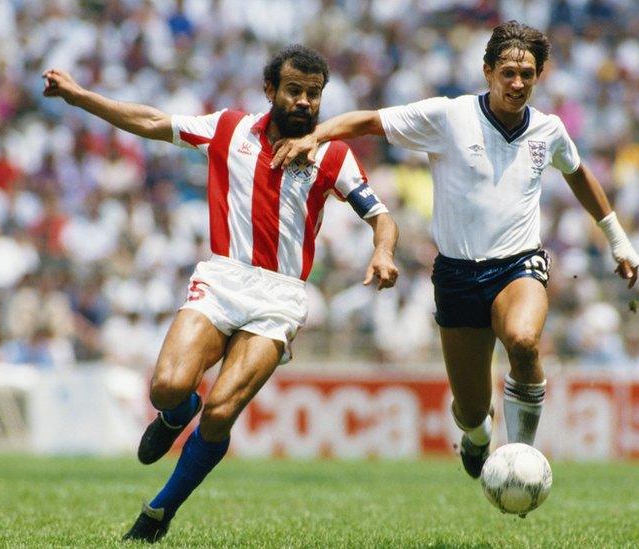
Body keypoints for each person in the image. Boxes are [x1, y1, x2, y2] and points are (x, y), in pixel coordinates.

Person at [42, 45, 399, 542]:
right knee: (167, 386)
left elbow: (380, 215)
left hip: (281, 296)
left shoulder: (332, 153)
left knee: (222, 411)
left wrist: (382, 251)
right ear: (270, 90)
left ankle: (159, 512)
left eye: (313, 95)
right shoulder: (229, 128)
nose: (303, 103)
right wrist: (82, 98)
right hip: (223, 279)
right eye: (293, 91)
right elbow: (152, 121)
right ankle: (176, 413)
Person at [271, 21, 639, 481]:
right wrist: (315, 136)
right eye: (508, 72)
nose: (518, 83)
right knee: (470, 409)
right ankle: (478, 437)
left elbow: (579, 174)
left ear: (539, 77)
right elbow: (370, 121)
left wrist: (617, 239)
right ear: (488, 72)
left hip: (518, 265)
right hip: (457, 275)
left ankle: (519, 459)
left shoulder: (549, 130)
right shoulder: (449, 116)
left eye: (527, 74)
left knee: (524, 342)